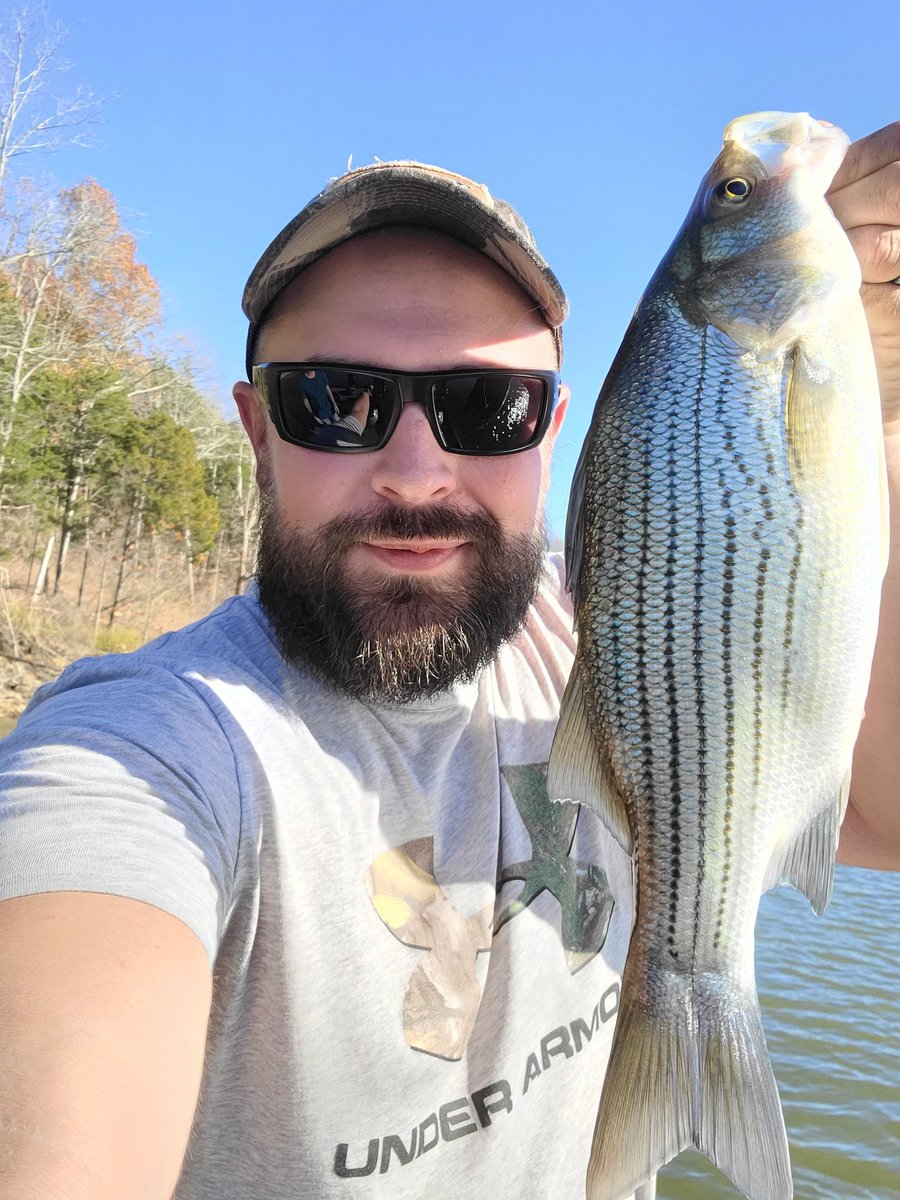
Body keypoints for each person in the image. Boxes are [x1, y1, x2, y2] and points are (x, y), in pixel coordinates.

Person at [0, 130, 898, 1200]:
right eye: (336, 401)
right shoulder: (145, 754)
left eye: (487, 408)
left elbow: (884, 820)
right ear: (258, 431)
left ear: (549, 431)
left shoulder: (601, 641)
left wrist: (876, 413)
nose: (417, 473)